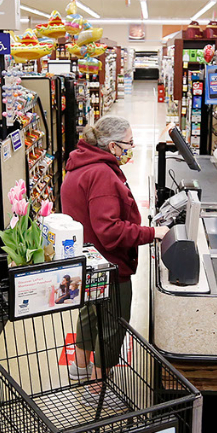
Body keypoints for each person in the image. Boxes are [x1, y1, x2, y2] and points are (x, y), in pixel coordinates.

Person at [60, 115, 168, 393]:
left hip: (86, 259)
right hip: (109, 265)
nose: (131, 148)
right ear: (111, 146)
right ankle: (97, 388)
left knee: (89, 313)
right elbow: (109, 230)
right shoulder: (102, 175)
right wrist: (150, 234)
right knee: (112, 324)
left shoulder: (80, 163)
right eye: (128, 143)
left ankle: (80, 367)